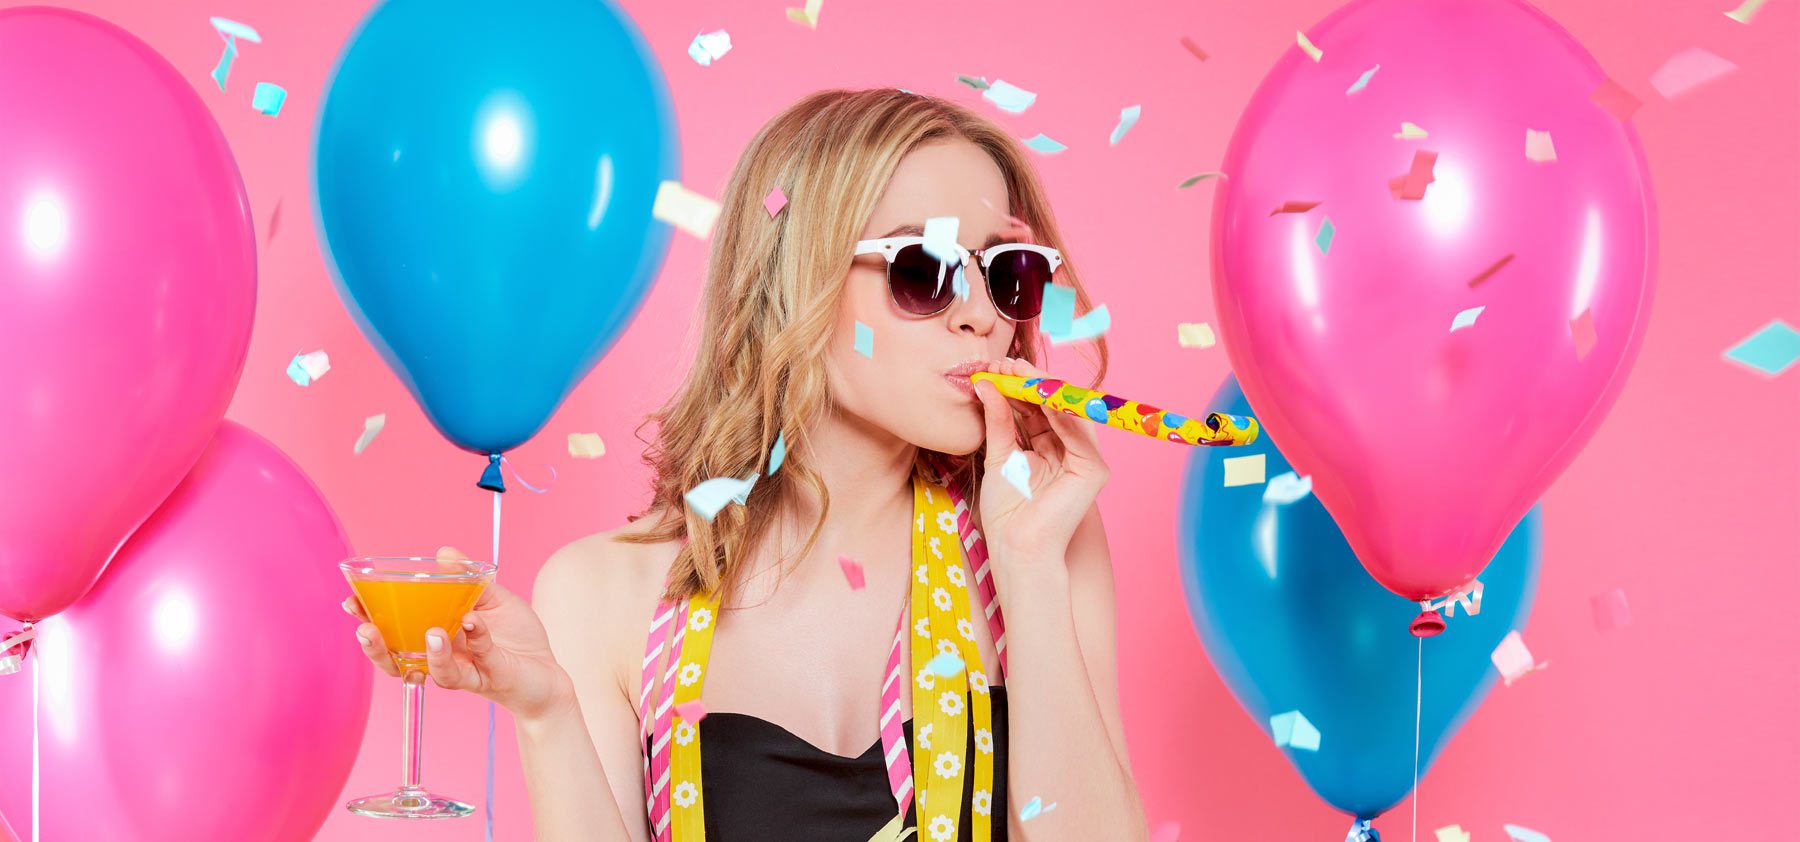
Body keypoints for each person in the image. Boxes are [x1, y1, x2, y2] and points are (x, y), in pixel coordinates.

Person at [347, 88, 1147, 841]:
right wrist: (547, 711)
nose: (980, 316)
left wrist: (1031, 569)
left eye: (1009, 272)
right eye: (924, 270)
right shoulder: (601, 594)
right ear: (796, 281)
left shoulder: (1045, 540)